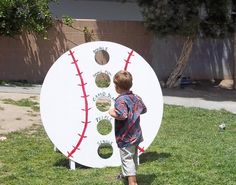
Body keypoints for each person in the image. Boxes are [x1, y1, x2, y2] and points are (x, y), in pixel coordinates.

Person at [109, 70, 147, 185]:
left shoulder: (120, 100)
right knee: (133, 157)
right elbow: (144, 110)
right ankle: (129, 176)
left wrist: (112, 113)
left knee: (127, 158)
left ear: (118, 87)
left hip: (126, 136)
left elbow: (122, 115)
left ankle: (132, 182)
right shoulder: (136, 97)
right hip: (136, 134)